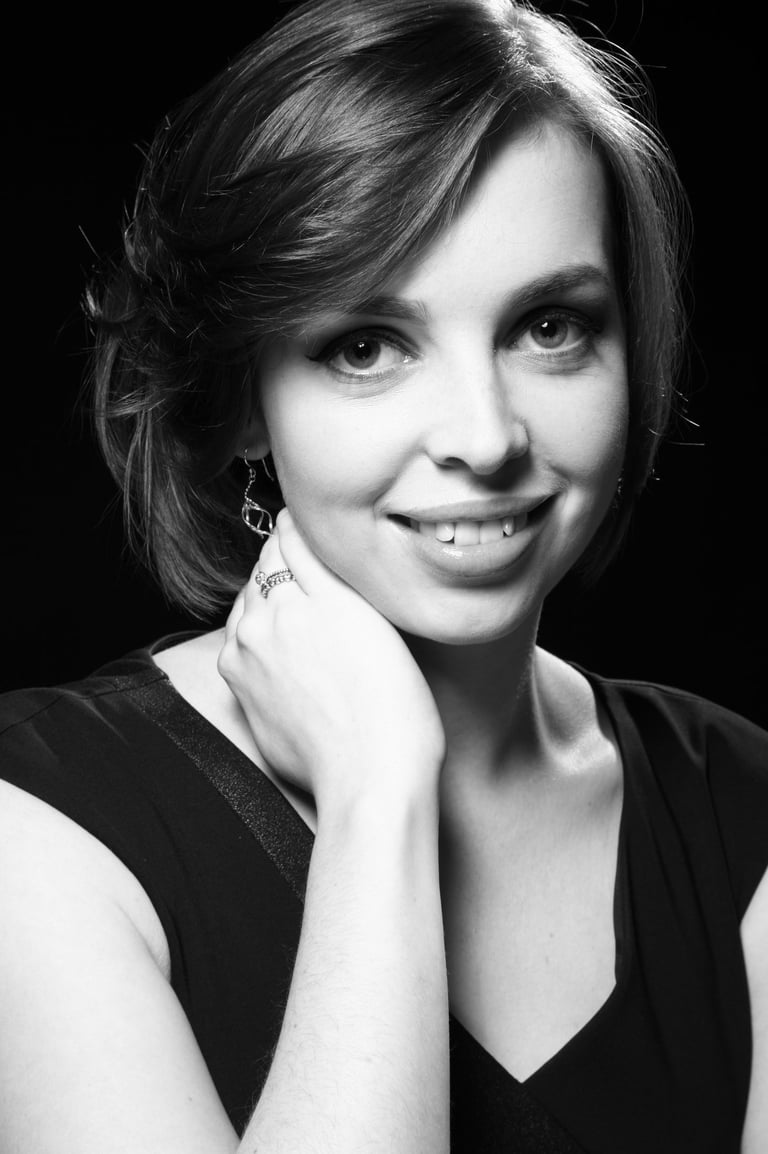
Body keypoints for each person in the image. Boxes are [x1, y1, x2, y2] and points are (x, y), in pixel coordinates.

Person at [1, 1, 765, 1150]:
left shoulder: (741, 811)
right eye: (367, 345)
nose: (486, 434)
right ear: (241, 399)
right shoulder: (38, 829)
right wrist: (378, 794)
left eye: (549, 325)